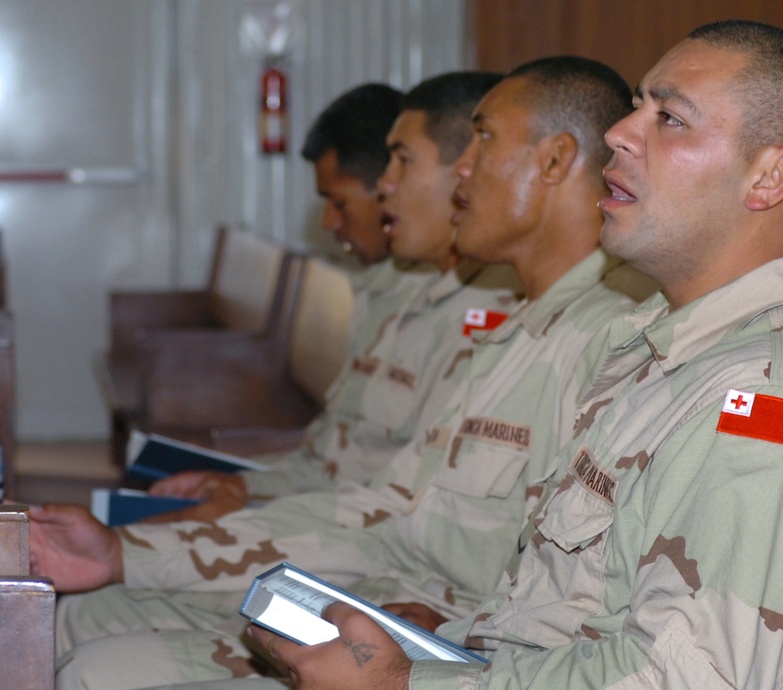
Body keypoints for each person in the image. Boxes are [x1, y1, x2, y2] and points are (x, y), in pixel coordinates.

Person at [249, 20, 783, 690]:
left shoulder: (770, 408)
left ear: (768, 177)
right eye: (638, 105)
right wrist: (438, 642)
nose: (621, 132)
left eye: (669, 118)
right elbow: (564, 617)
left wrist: (402, 685)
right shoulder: (667, 346)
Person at [40, 57, 656, 688]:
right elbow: (388, 513)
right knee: (77, 632)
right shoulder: (517, 331)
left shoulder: (610, 340)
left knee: (96, 665)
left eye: (483, 141)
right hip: (385, 607)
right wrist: (137, 551)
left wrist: (449, 628)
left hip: (442, 645)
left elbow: (580, 597)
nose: (462, 170)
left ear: (553, 161)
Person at [147, 72, 520, 522]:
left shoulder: (489, 313)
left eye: (402, 162)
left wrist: (243, 519)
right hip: (335, 527)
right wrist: (245, 489)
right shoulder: (411, 293)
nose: (387, 185)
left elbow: (401, 510)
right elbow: (336, 459)